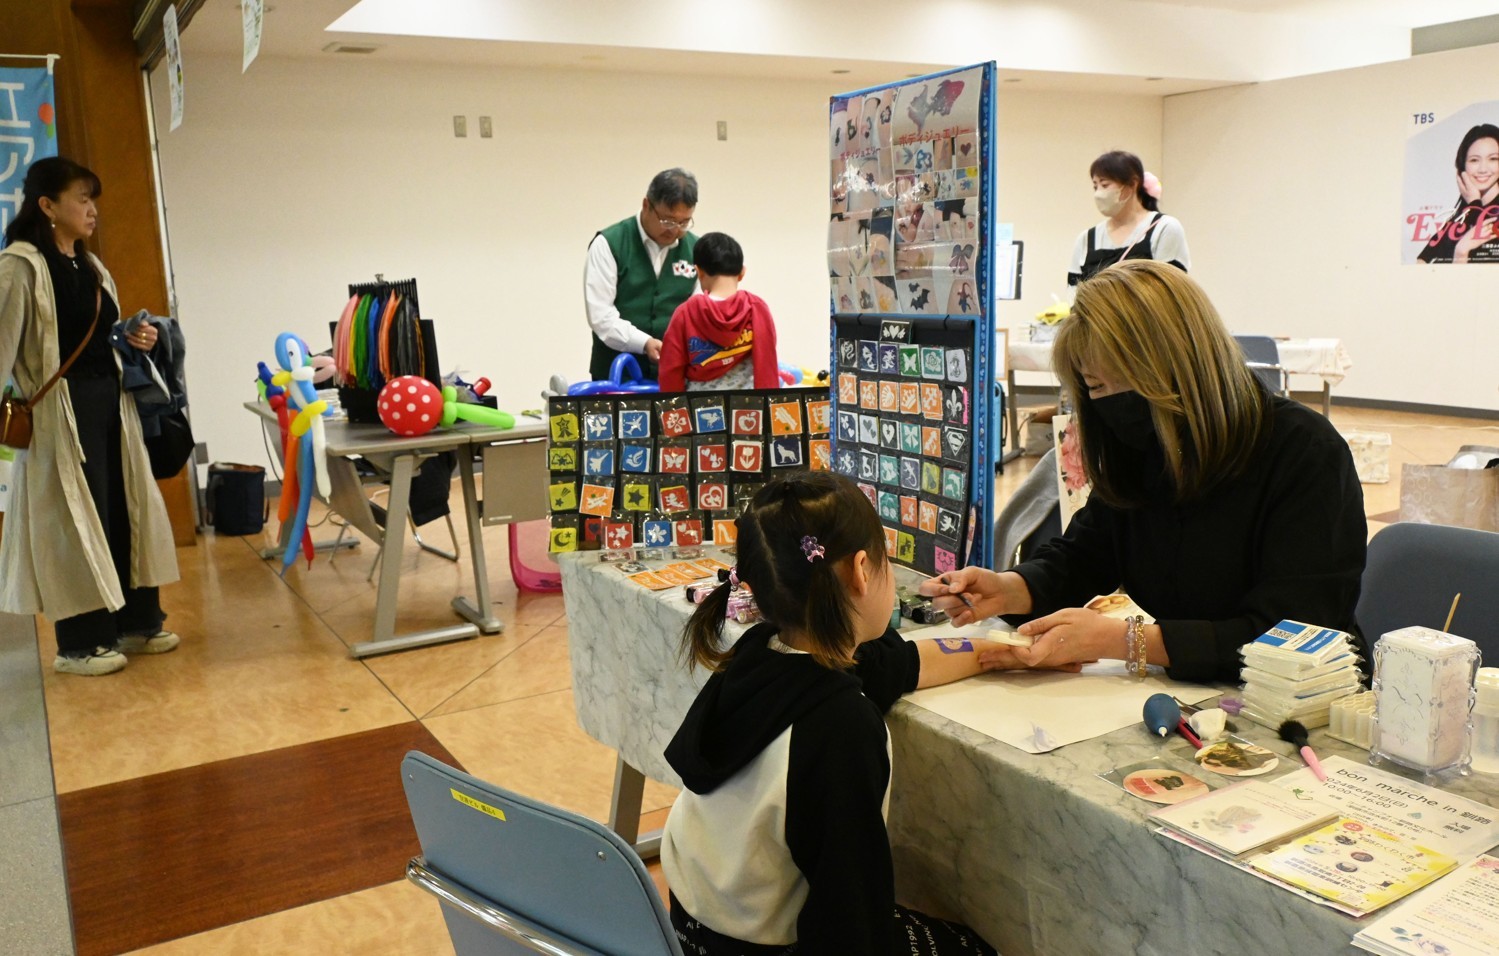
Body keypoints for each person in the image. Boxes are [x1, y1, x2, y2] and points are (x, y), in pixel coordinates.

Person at [922, 260, 1367, 685]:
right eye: (1097, 386)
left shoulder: (1304, 452)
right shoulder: (1140, 449)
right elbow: (1085, 555)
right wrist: (1010, 589)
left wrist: (1126, 641)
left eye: (1127, 378)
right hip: (1194, 697)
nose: (1115, 401)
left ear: (1183, 366)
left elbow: (1295, 635)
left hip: (1301, 700)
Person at [661, 472, 1005, 955]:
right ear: (862, 570)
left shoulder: (762, 652)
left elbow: (901, 664)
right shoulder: (842, 725)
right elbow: (850, 913)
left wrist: (1004, 652)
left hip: (689, 925)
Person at [0, 157, 181, 676]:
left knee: (124, 508)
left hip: (112, 407)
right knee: (74, 522)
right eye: (82, 199)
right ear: (47, 205)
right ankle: (79, 644)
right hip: (58, 413)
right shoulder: (19, 266)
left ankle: (136, 622)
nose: (92, 209)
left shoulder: (91, 265)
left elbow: (106, 335)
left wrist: (138, 338)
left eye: (92, 199)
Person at [583, 168, 699, 382]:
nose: (675, 230)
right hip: (616, 377)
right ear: (647, 205)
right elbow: (601, 315)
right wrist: (644, 343)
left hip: (676, 376)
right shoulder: (609, 243)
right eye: (668, 221)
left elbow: (700, 314)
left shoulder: (697, 250)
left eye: (684, 223)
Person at [656, 232, 779, 392]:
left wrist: (674, 405)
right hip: (746, 404)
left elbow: (671, 368)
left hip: (699, 404)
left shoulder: (686, 313)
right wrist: (767, 401)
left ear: (699, 272)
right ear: (742, 273)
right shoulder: (756, 307)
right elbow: (766, 362)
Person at [1067, 150, 1189, 287]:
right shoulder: (1086, 239)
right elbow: (1074, 291)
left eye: (1105, 185)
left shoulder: (1164, 228)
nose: (1098, 193)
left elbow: (1172, 288)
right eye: (1095, 186)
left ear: (1132, 184)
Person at [1417, 123, 1499, 264]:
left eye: (1493, 159)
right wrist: (1473, 203)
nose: (1483, 169)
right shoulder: (1463, 211)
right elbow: (1422, 261)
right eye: (1474, 160)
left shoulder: (1472, 206)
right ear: (1463, 166)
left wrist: (1461, 253)